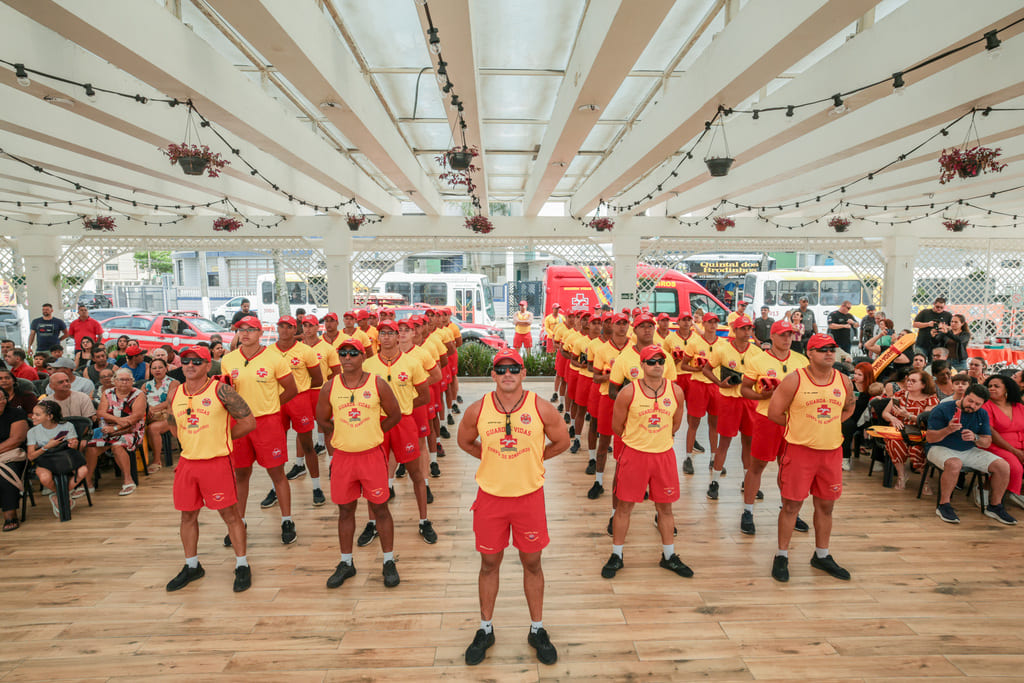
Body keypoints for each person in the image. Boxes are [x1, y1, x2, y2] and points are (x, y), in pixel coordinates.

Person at [456, 348, 569, 667]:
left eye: (514, 368)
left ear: (523, 373)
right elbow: (464, 442)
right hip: (491, 498)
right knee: (489, 564)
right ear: (493, 375)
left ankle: (537, 629)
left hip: (529, 498)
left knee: (532, 563)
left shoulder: (541, 408)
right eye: (501, 369)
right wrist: (491, 459)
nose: (507, 374)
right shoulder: (477, 410)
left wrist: (535, 459)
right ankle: (485, 628)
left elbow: (562, 441)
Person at [164, 346, 256, 593]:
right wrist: (187, 441)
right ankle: (192, 566)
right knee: (187, 516)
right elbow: (172, 422)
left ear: (208, 365)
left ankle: (242, 564)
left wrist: (221, 437)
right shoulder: (176, 392)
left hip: (216, 462)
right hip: (187, 462)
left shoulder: (221, 390)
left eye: (197, 361)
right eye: (186, 361)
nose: (190, 365)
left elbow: (248, 422)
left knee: (230, 515)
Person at [767, 333, 855, 583]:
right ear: (810, 353)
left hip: (831, 452)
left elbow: (849, 407)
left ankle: (822, 554)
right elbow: (774, 412)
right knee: (791, 506)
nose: (829, 353)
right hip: (799, 451)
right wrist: (802, 425)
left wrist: (830, 424)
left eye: (832, 349)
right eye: (822, 349)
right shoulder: (795, 380)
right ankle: (782, 555)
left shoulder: (844, 381)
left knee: (826, 506)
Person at [316, 338, 403, 589]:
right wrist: (339, 434)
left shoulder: (377, 384)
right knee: (345, 511)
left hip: (371, 456)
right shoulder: (330, 387)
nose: (347, 357)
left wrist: (375, 431)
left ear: (362, 356)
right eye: (342, 353)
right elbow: (321, 419)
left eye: (353, 353)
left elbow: (394, 414)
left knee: (380, 508)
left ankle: (388, 560)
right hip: (344, 458)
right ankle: (346, 562)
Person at [602, 345, 690, 580]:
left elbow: (676, 424)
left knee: (665, 508)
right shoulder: (628, 392)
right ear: (641, 365)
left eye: (660, 361)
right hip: (635, 454)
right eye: (651, 361)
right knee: (624, 507)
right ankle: (617, 555)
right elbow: (616, 427)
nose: (657, 365)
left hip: (663, 455)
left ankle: (669, 555)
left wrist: (657, 440)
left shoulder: (676, 392)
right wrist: (639, 440)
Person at [220, 315, 299, 545]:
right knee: (241, 474)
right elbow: (226, 391)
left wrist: (271, 405)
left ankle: (287, 520)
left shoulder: (274, 358)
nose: (245, 333)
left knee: (277, 473)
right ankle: (239, 521)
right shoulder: (229, 359)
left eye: (250, 329)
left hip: (267, 423)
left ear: (260, 332)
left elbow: (291, 389)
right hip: (239, 423)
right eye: (241, 329)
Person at [363, 320, 436, 543]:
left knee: (416, 474)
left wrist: (402, 408)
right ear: (378, 338)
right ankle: (372, 523)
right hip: (378, 424)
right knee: (374, 475)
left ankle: (424, 520)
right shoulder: (367, 365)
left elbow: (425, 395)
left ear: (397, 337)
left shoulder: (411, 363)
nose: (386, 337)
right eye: (382, 333)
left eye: (390, 333)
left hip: (404, 423)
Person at [739, 320, 809, 536]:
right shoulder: (758, 359)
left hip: (793, 421)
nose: (787, 338)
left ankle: (789, 510)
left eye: (790, 334)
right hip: (766, 419)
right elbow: (744, 389)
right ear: (772, 336)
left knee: (788, 467)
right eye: (782, 334)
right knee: (757, 465)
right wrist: (763, 395)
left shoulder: (801, 360)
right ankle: (748, 511)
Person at [926, 384, 1016, 525]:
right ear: (964, 395)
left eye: (977, 404)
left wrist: (976, 438)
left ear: (983, 404)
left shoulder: (982, 414)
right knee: (954, 463)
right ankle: (944, 505)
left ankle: (995, 506)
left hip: (969, 449)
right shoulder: (943, 409)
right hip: (939, 447)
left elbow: (987, 442)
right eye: (970, 401)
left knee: (1003, 466)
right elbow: (930, 438)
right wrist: (948, 430)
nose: (972, 405)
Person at [262, 316, 322, 508]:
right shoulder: (268, 351)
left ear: (295, 329)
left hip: (299, 401)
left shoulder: (305, 351)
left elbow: (318, 379)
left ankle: (316, 487)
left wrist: (300, 389)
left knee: (307, 445)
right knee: (275, 447)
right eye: (282, 326)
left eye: (289, 327)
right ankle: (274, 488)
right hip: (276, 402)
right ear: (277, 328)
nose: (285, 330)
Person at [703, 314, 761, 501]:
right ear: (734, 330)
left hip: (750, 401)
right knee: (725, 442)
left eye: (749, 328)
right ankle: (715, 482)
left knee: (749, 442)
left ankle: (748, 481)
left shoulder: (757, 353)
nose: (746, 332)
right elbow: (706, 369)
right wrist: (719, 383)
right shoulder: (722, 350)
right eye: (743, 328)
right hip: (729, 401)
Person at [294, 314, 340, 493]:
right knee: (302, 430)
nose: (308, 329)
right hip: (301, 394)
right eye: (305, 325)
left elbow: (336, 372)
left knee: (327, 428)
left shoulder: (327, 348)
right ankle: (299, 464)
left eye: (311, 325)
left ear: (317, 328)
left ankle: (333, 464)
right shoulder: (296, 348)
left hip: (321, 393)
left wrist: (328, 388)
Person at [86, 368, 147, 496]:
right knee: (91, 447)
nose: (124, 382)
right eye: (121, 379)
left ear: (132, 381)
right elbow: (101, 413)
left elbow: (136, 417)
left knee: (117, 445)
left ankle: (128, 480)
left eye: (127, 380)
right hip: (110, 430)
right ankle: (88, 482)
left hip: (133, 430)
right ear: (114, 381)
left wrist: (115, 428)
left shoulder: (138, 394)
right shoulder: (108, 393)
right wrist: (119, 420)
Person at [881, 370, 940, 489]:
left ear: (923, 384)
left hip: (920, 431)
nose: (909, 383)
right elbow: (885, 413)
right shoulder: (899, 395)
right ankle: (901, 476)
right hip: (900, 429)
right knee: (893, 441)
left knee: (918, 449)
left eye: (913, 381)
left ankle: (925, 481)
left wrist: (907, 416)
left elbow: (926, 420)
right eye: (908, 380)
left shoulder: (931, 399)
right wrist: (893, 419)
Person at [27, 400, 87, 515]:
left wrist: (73, 444)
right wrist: (47, 446)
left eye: (37, 414)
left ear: (49, 416)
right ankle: (63, 496)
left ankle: (58, 497)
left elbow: (73, 446)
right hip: (45, 458)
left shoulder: (67, 426)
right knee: (44, 478)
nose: (32, 417)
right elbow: (30, 456)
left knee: (83, 470)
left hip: (65, 457)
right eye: (33, 413)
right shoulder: (32, 432)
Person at [680, 313, 723, 475]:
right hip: (697, 385)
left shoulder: (723, 344)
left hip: (715, 385)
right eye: (710, 322)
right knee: (694, 423)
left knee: (715, 424)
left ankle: (714, 457)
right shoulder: (694, 342)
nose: (712, 325)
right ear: (703, 323)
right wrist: (697, 369)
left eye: (715, 322)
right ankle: (688, 457)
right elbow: (683, 366)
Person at [982, 375, 1024, 509]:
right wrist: (1015, 451)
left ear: (1007, 389)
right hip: (996, 445)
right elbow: (991, 433)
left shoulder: (1018, 406)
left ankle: (1016, 491)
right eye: (989, 386)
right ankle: (1010, 493)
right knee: (1015, 466)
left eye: (996, 386)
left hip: (1020, 443)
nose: (992, 388)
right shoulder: (986, 406)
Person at [0, 390, 29, 532]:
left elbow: (16, 440)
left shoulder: (16, 413)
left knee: (4, 476)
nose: (1, 402)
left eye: (2, 398)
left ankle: (10, 515)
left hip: (11, 454)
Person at [144, 358, 179, 474]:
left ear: (166, 368)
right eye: (154, 368)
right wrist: (145, 409)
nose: (157, 370)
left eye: (160, 367)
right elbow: (140, 401)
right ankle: (140, 461)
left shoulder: (173, 383)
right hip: (149, 416)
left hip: (170, 415)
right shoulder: (146, 385)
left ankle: (156, 460)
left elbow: (169, 402)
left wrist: (151, 409)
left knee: (153, 428)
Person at [841, 362, 875, 471]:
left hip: (864, 419)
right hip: (848, 416)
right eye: (855, 374)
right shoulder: (849, 385)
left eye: (859, 375)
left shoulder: (872, 388)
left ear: (867, 376)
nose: (856, 376)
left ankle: (879, 460)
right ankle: (845, 458)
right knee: (847, 424)